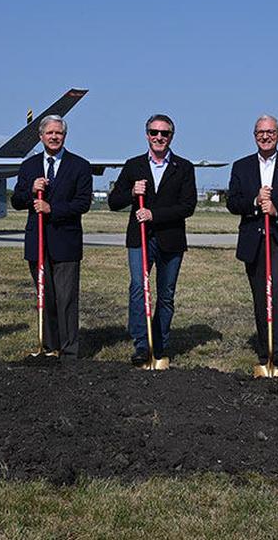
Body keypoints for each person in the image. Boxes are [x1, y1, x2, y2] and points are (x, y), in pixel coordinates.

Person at [108, 114, 196, 366]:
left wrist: (153, 214)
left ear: (171, 136)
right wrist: (131, 193)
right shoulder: (133, 165)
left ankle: (160, 343)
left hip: (171, 240)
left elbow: (187, 206)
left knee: (166, 294)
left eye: (164, 133)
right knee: (138, 287)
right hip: (140, 238)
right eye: (154, 132)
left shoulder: (183, 167)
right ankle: (141, 343)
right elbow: (114, 202)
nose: (159, 137)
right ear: (146, 134)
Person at [226, 115, 278, 370]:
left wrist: (276, 211)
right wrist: (254, 202)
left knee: (274, 285)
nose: (265, 136)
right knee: (260, 294)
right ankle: (266, 351)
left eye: (270, 132)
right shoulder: (241, 167)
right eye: (260, 132)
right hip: (254, 240)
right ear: (254, 136)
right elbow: (233, 203)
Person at [12, 115, 93, 360]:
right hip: (37, 241)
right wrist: (30, 191)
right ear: (41, 136)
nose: (54, 137)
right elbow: (16, 201)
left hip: (66, 241)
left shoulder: (79, 166)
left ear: (64, 136)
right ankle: (49, 346)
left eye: (59, 133)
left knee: (66, 297)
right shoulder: (29, 166)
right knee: (44, 296)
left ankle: (69, 350)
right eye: (50, 133)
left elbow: (82, 203)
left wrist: (52, 210)